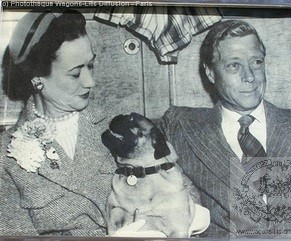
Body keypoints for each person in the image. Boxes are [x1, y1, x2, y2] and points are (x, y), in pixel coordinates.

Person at [0, 9, 207, 237]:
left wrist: (154, 226)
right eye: (75, 73)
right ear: (37, 78)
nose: (91, 82)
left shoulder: (121, 127)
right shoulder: (6, 156)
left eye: (90, 66)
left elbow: (184, 191)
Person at [159, 19, 291, 238]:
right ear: (210, 73)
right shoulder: (181, 126)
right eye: (234, 65)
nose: (250, 77)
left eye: (256, 62)